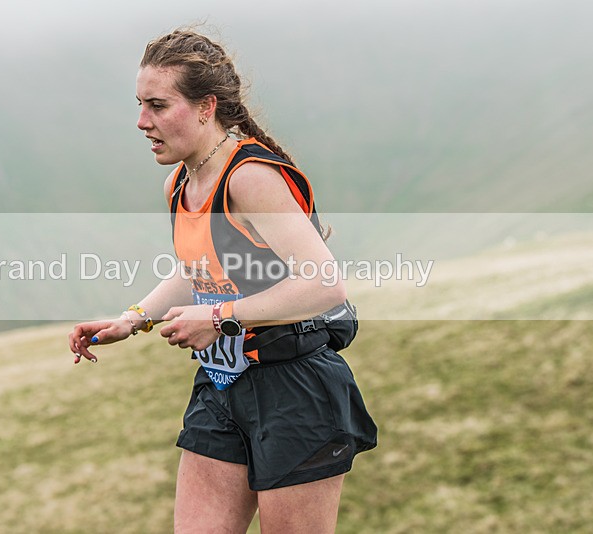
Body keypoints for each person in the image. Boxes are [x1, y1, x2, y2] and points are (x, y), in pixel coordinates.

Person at [68, 28, 377, 533]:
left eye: (158, 106)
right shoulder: (182, 182)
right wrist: (132, 320)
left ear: (207, 106)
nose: (142, 122)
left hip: (296, 390)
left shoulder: (249, 178)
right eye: (140, 105)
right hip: (221, 384)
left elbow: (325, 284)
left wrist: (218, 318)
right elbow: (200, 270)